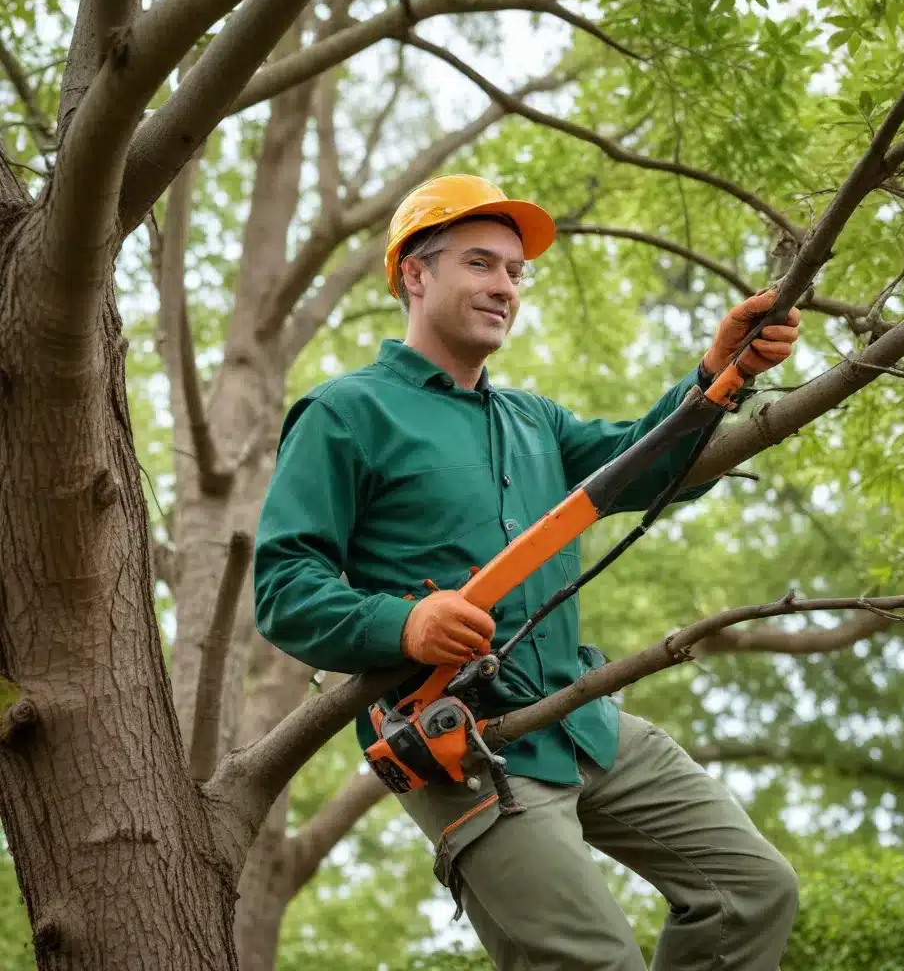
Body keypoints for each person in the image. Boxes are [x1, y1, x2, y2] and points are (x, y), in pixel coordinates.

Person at [253, 174, 803, 970]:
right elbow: (285, 586)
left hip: (579, 716)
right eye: (481, 264)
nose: (504, 287)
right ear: (416, 272)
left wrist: (719, 372)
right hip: (461, 746)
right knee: (595, 963)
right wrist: (403, 624)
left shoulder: (535, 422)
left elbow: (645, 465)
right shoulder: (346, 413)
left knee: (753, 889)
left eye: (515, 272)